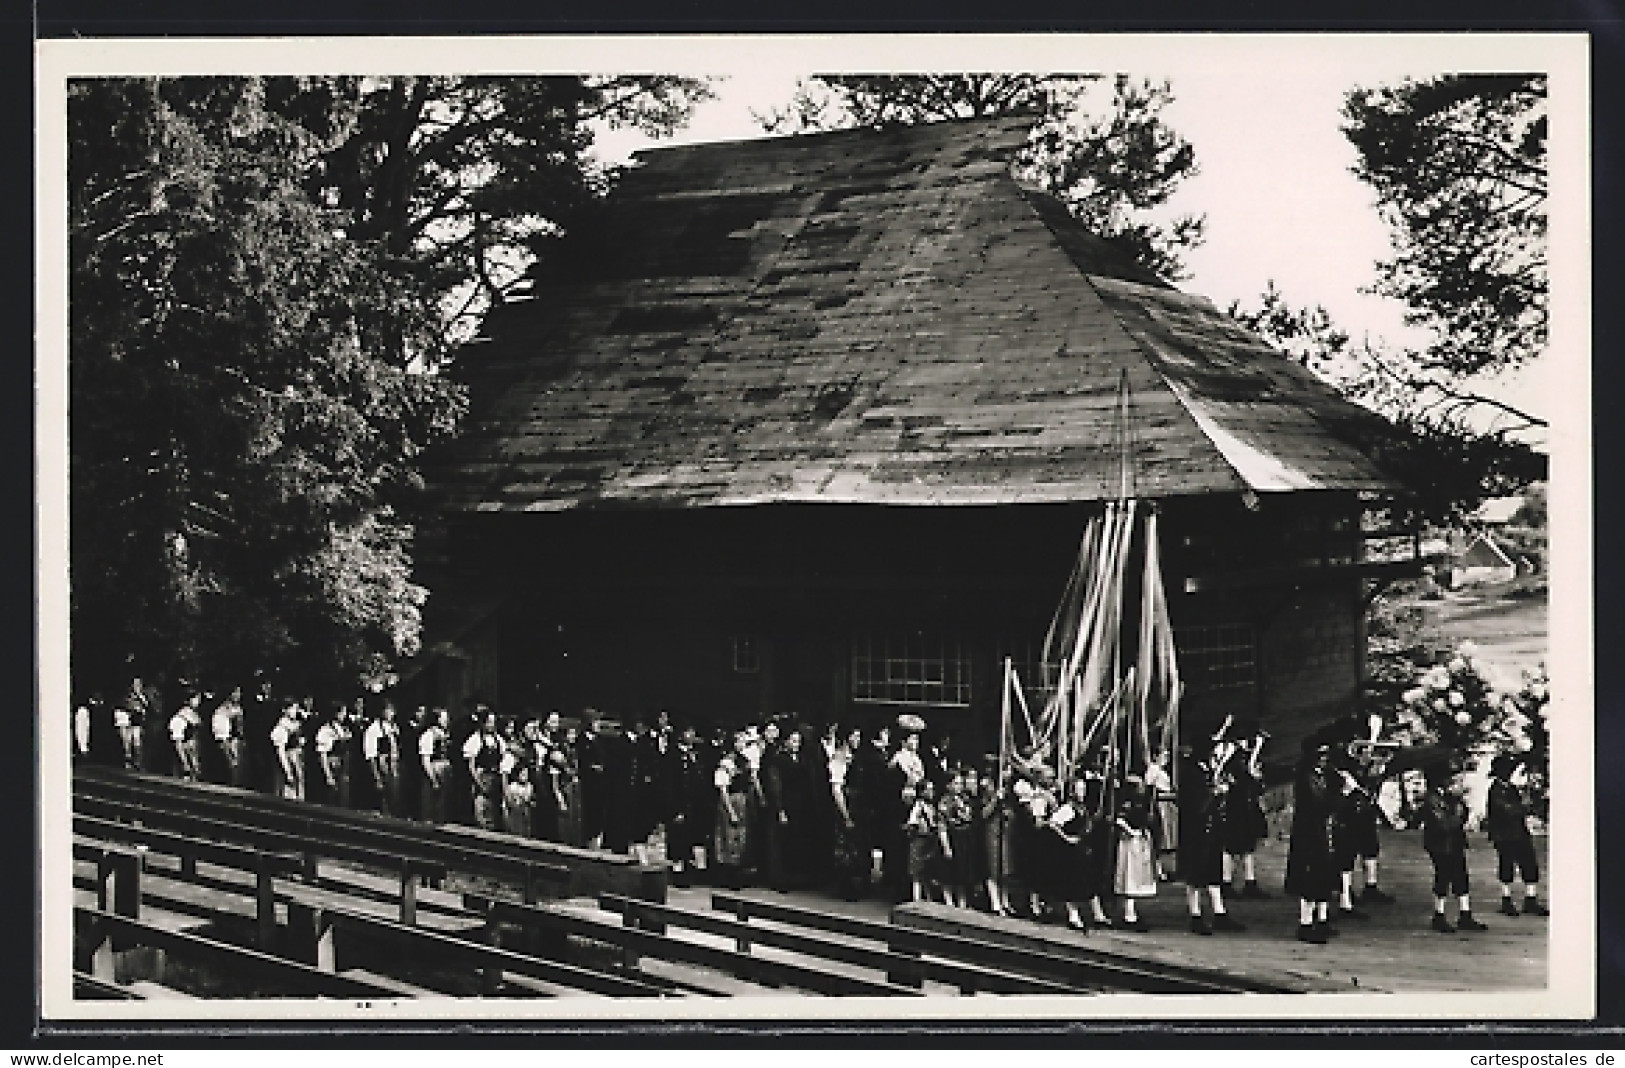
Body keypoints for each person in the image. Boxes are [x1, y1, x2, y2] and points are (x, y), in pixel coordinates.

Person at [1285, 738, 1343, 943]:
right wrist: (1339, 793)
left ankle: (1322, 919)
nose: (1324, 761)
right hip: (1309, 833)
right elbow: (1318, 803)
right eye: (1320, 756)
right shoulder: (1306, 778)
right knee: (1310, 877)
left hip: (1320, 831)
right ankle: (1306, 923)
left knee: (1324, 875)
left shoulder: (1320, 776)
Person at [1420, 762, 1487, 933]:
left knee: (1460, 876)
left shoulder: (1448, 797)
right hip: (1441, 844)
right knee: (1443, 877)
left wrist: (1460, 805)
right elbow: (1444, 824)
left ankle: (1465, 914)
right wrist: (1458, 811)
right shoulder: (1433, 799)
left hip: (1453, 842)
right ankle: (1439, 914)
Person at [1486, 753, 1548, 917]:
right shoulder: (1495, 790)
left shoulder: (1511, 788)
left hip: (1519, 832)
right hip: (1504, 835)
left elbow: (1516, 809)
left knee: (1529, 864)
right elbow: (1506, 811)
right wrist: (1523, 807)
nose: (1510, 772)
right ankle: (1506, 900)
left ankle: (1530, 899)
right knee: (1506, 866)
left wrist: (1527, 805)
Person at [1222, 732, 1270, 899]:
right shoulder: (1233, 760)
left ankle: (1250, 882)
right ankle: (1226, 882)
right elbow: (1247, 773)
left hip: (1246, 807)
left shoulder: (1243, 759)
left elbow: (1254, 778)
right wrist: (1257, 747)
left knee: (1247, 846)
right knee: (1232, 846)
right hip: (1235, 808)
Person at [830, 725, 871, 900]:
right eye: (854, 736)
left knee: (858, 848)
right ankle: (846, 888)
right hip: (847, 807)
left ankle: (858, 886)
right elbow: (837, 790)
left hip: (859, 807)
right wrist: (845, 814)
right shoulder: (838, 759)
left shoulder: (856, 758)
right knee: (846, 850)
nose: (858, 740)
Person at [1114, 775, 1158, 930]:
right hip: (1130, 844)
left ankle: (1131, 912)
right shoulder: (1127, 804)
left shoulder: (1141, 803)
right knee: (1130, 877)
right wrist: (1131, 831)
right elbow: (1119, 820)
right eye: (1139, 786)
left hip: (1140, 841)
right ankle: (1128, 915)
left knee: (1136, 877)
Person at [713, 731, 757, 889]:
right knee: (729, 839)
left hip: (743, 800)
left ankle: (740, 873)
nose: (742, 744)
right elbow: (723, 790)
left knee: (742, 839)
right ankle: (728, 877)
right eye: (739, 741)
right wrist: (730, 810)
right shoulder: (726, 763)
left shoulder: (744, 761)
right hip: (731, 800)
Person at [903, 779, 948, 903]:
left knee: (926, 872)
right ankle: (916, 899)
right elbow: (912, 822)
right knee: (917, 873)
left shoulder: (931, 806)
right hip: (920, 840)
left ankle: (928, 899)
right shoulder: (918, 806)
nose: (931, 792)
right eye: (928, 789)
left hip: (929, 840)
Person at [463, 705, 507, 831]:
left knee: (495, 813)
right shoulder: (475, 740)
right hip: (482, 777)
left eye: (493, 722)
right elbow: (471, 766)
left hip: (495, 779)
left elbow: (504, 756)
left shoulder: (498, 739)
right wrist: (479, 784)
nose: (492, 725)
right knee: (482, 813)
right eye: (489, 722)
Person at [939, 769, 975, 909]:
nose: (959, 786)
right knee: (949, 872)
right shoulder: (945, 802)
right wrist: (946, 846)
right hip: (952, 837)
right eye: (956, 783)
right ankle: (948, 900)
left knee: (963, 872)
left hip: (964, 838)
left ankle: (962, 901)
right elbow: (942, 825)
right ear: (948, 785)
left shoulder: (965, 799)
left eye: (960, 783)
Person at [363, 699, 404, 817]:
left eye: (393, 711)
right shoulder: (373, 729)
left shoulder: (394, 727)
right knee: (384, 799)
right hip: (383, 767)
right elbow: (371, 755)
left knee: (396, 798)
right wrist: (377, 777)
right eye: (389, 710)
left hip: (395, 766)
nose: (392, 714)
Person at [577, 708, 608, 849]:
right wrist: (595, 768)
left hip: (599, 785)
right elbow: (584, 763)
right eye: (596, 721)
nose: (599, 724)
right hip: (589, 786)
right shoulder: (582, 741)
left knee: (598, 815)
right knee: (590, 816)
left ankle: (596, 841)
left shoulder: (598, 741)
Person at [209, 686, 249, 787]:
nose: (238, 695)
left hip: (238, 744)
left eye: (239, 692)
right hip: (227, 743)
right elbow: (221, 734)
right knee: (231, 771)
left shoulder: (239, 709)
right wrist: (228, 747)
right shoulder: (221, 711)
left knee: (241, 773)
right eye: (235, 692)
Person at [418, 706, 452, 822]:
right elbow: (425, 759)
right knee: (432, 801)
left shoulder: (445, 734)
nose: (447, 721)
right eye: (444, 718)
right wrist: (433, 779)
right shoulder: (428, 735)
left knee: (443, 803)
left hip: (445, 768)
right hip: (434, 768)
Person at [269, 699, 307, 800]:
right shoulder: (281, 728)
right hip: (288, 762)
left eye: (296, 708)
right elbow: (280, 751)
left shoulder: (297, 725)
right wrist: (288, 771)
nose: (295, 711)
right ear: (285, 710)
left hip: (296, 761)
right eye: (293, 708)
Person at [114, 676, 149, 772]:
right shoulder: (126, 697)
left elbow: (146, 707)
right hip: (127, 720)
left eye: (139, 684)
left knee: (137, 741)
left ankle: (138, 762)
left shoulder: (143, 696)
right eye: (135, 684)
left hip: (137, 722)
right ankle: (128, 760)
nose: (137, 686)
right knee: (127, 741)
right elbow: (125, 706)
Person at [169, 692, 204, 781]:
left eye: (199, 698)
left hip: (193, 755)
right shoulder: (179, 718)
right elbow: (178, 744)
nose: (198, 701)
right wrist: (185, 764)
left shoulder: (195, 715)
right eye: (196, 698)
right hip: (184, 760)